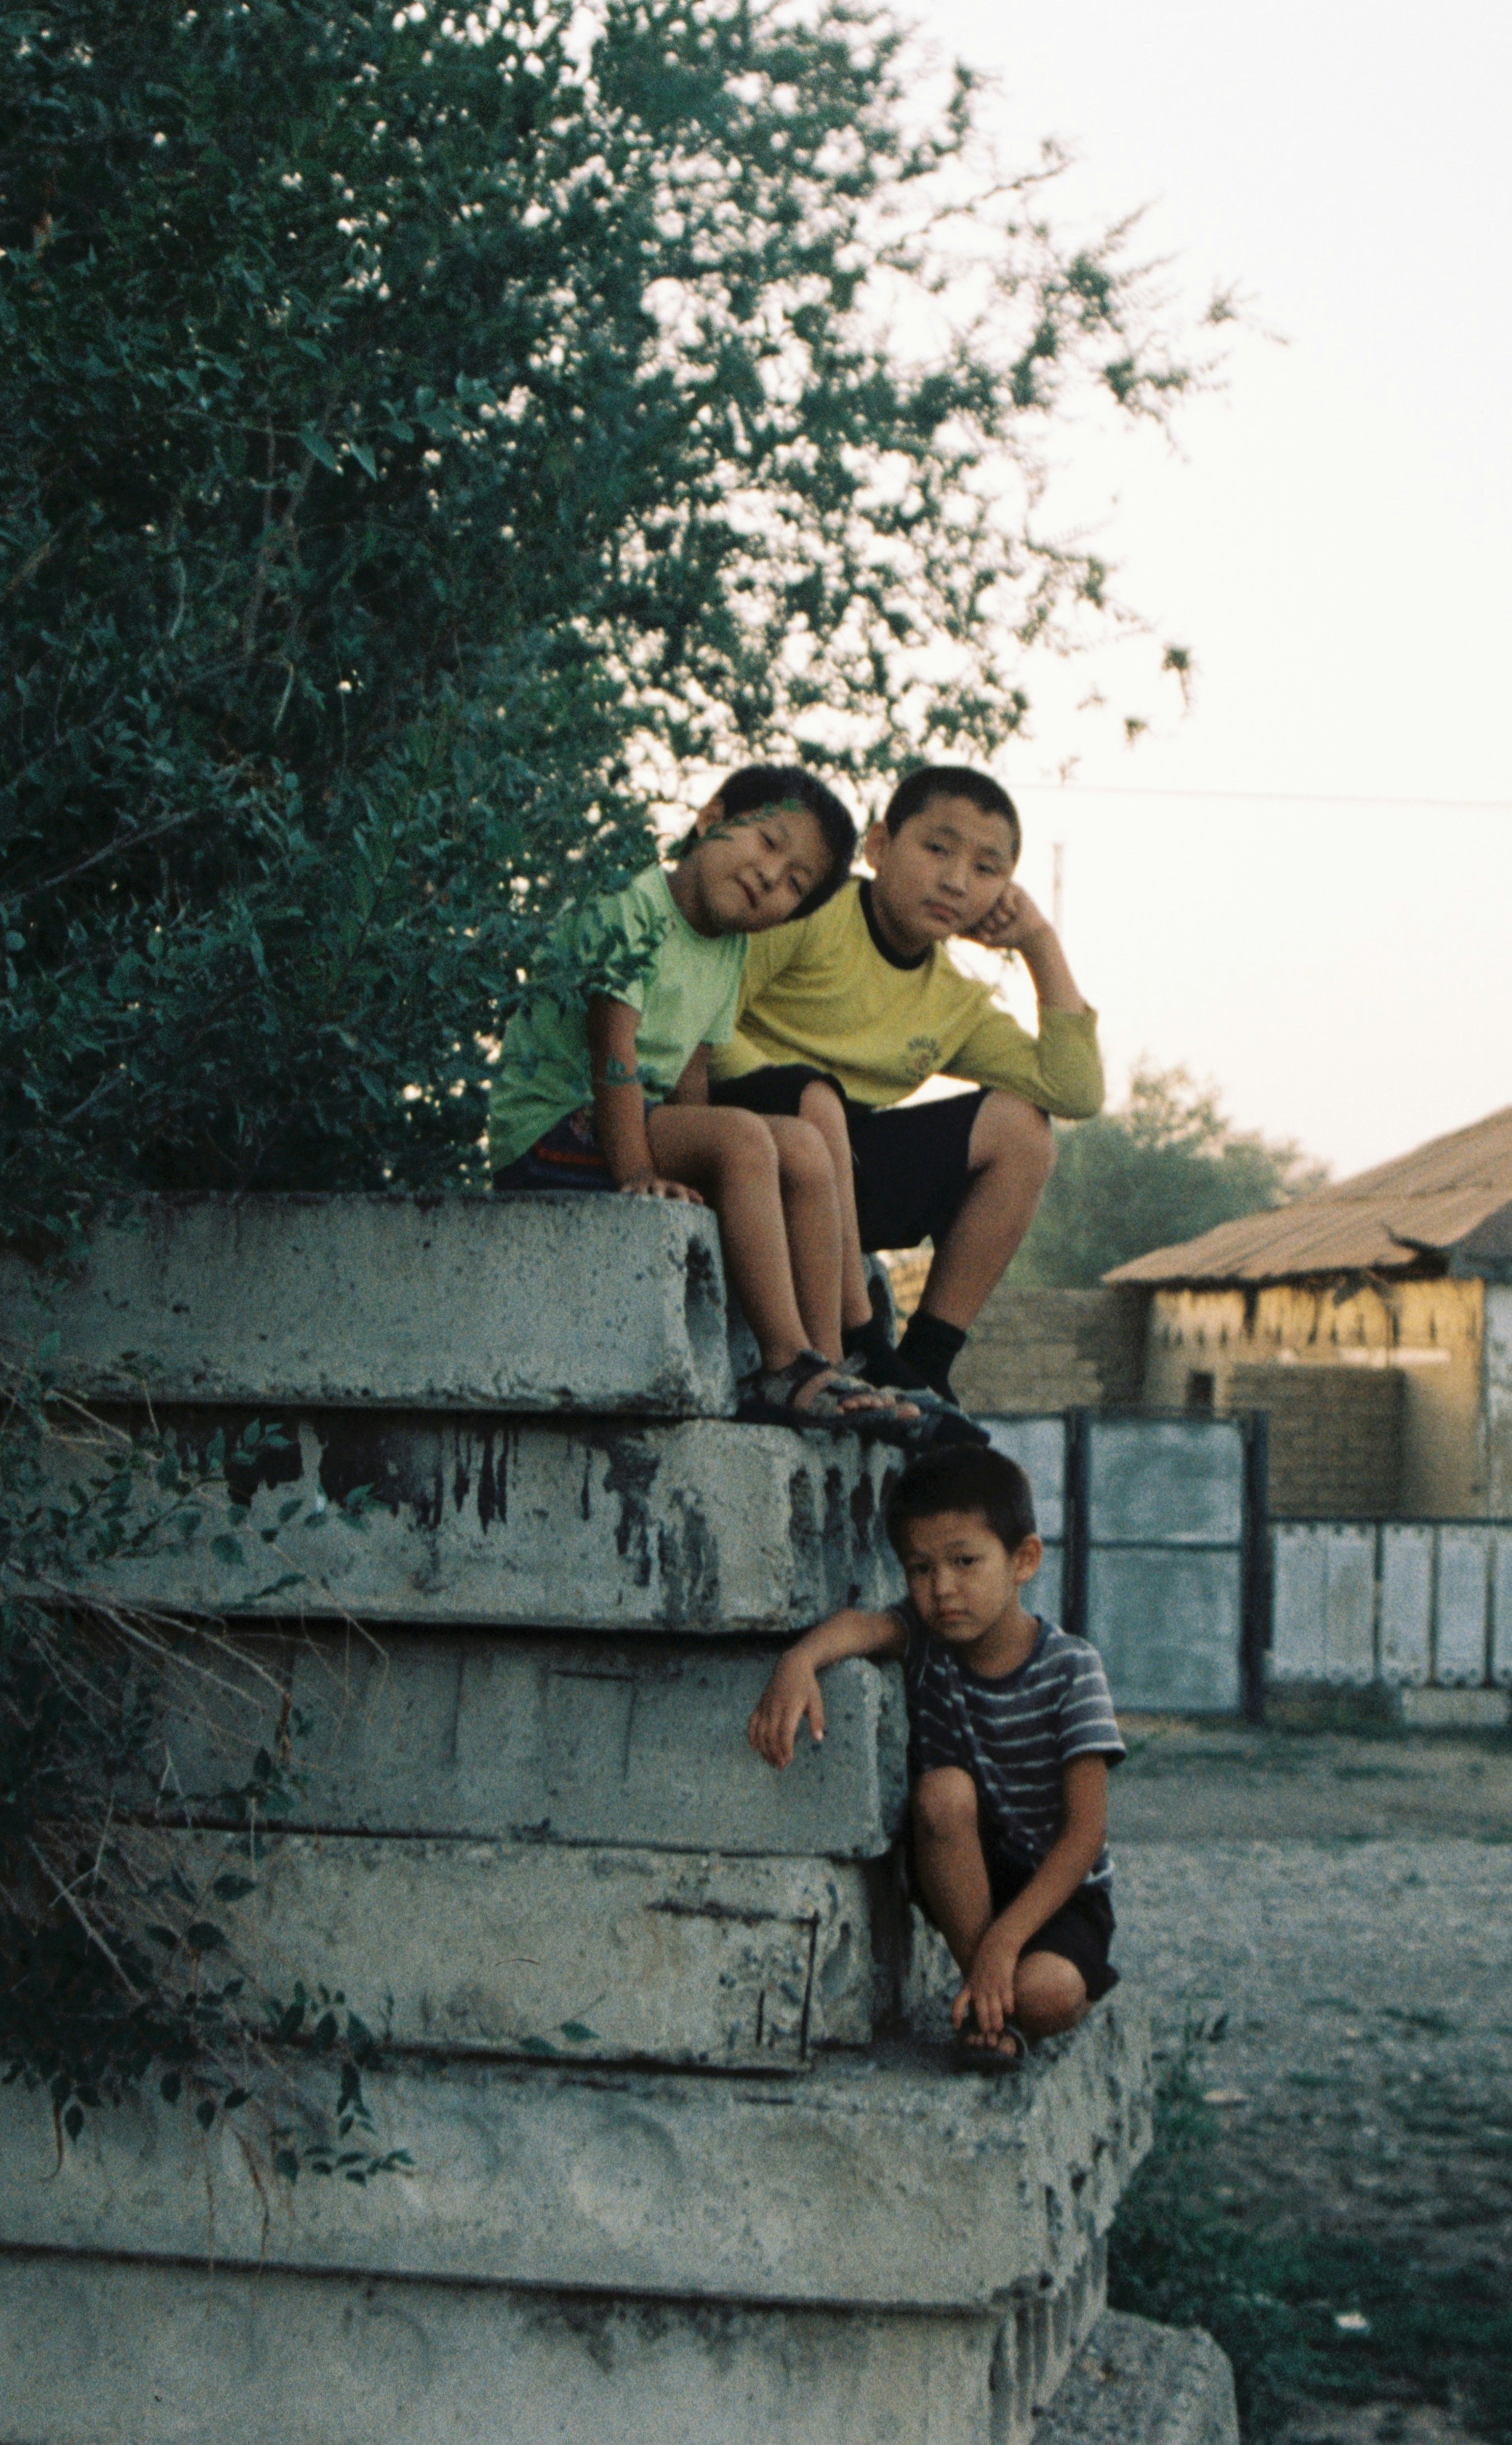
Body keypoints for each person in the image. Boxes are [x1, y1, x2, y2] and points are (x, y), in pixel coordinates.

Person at [486, 767, 914, 1429]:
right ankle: (780, 1367)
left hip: (633, 1124)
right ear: (711, 819)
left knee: (800, 1145)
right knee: (743, 1137)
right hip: (552, 1128)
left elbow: (692, 1076)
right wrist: (638, 1173)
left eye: (796, 882)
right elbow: (612, 1050)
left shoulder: (729, 950)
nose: (773, 876)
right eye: (768, 842)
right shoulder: (631, 902)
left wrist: (713, 1158)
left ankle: (824, 1364)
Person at [707, 767, 1099, 1404]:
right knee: (817, 1099)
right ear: (881, 846)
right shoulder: (815, 907)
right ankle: (861, 1341)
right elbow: (710, 1016)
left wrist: (1038, 943)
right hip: (751, 1150)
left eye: (986, 868)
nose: (955, 880)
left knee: (1023, 1131)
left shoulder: (955, 1001)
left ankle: (927, 1363)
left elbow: (1075, 1091)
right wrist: (800, 1092)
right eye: (938, 849)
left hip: (844, 1170)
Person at [745, 1445, 1121, 2069]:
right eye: (919, 1568)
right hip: (963, 1879)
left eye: (965, 1561)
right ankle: (991, 2004)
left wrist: (1007, 1939)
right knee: (943, 1789)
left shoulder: (1071, 1668)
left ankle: (1003, 1994)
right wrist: (798, 1661)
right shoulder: (923, 1641)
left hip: (1059, 1892)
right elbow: (856, 1627)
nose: (942, 1587)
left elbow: (1086, 1835)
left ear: (1024, 1558)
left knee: (1048, 1994)